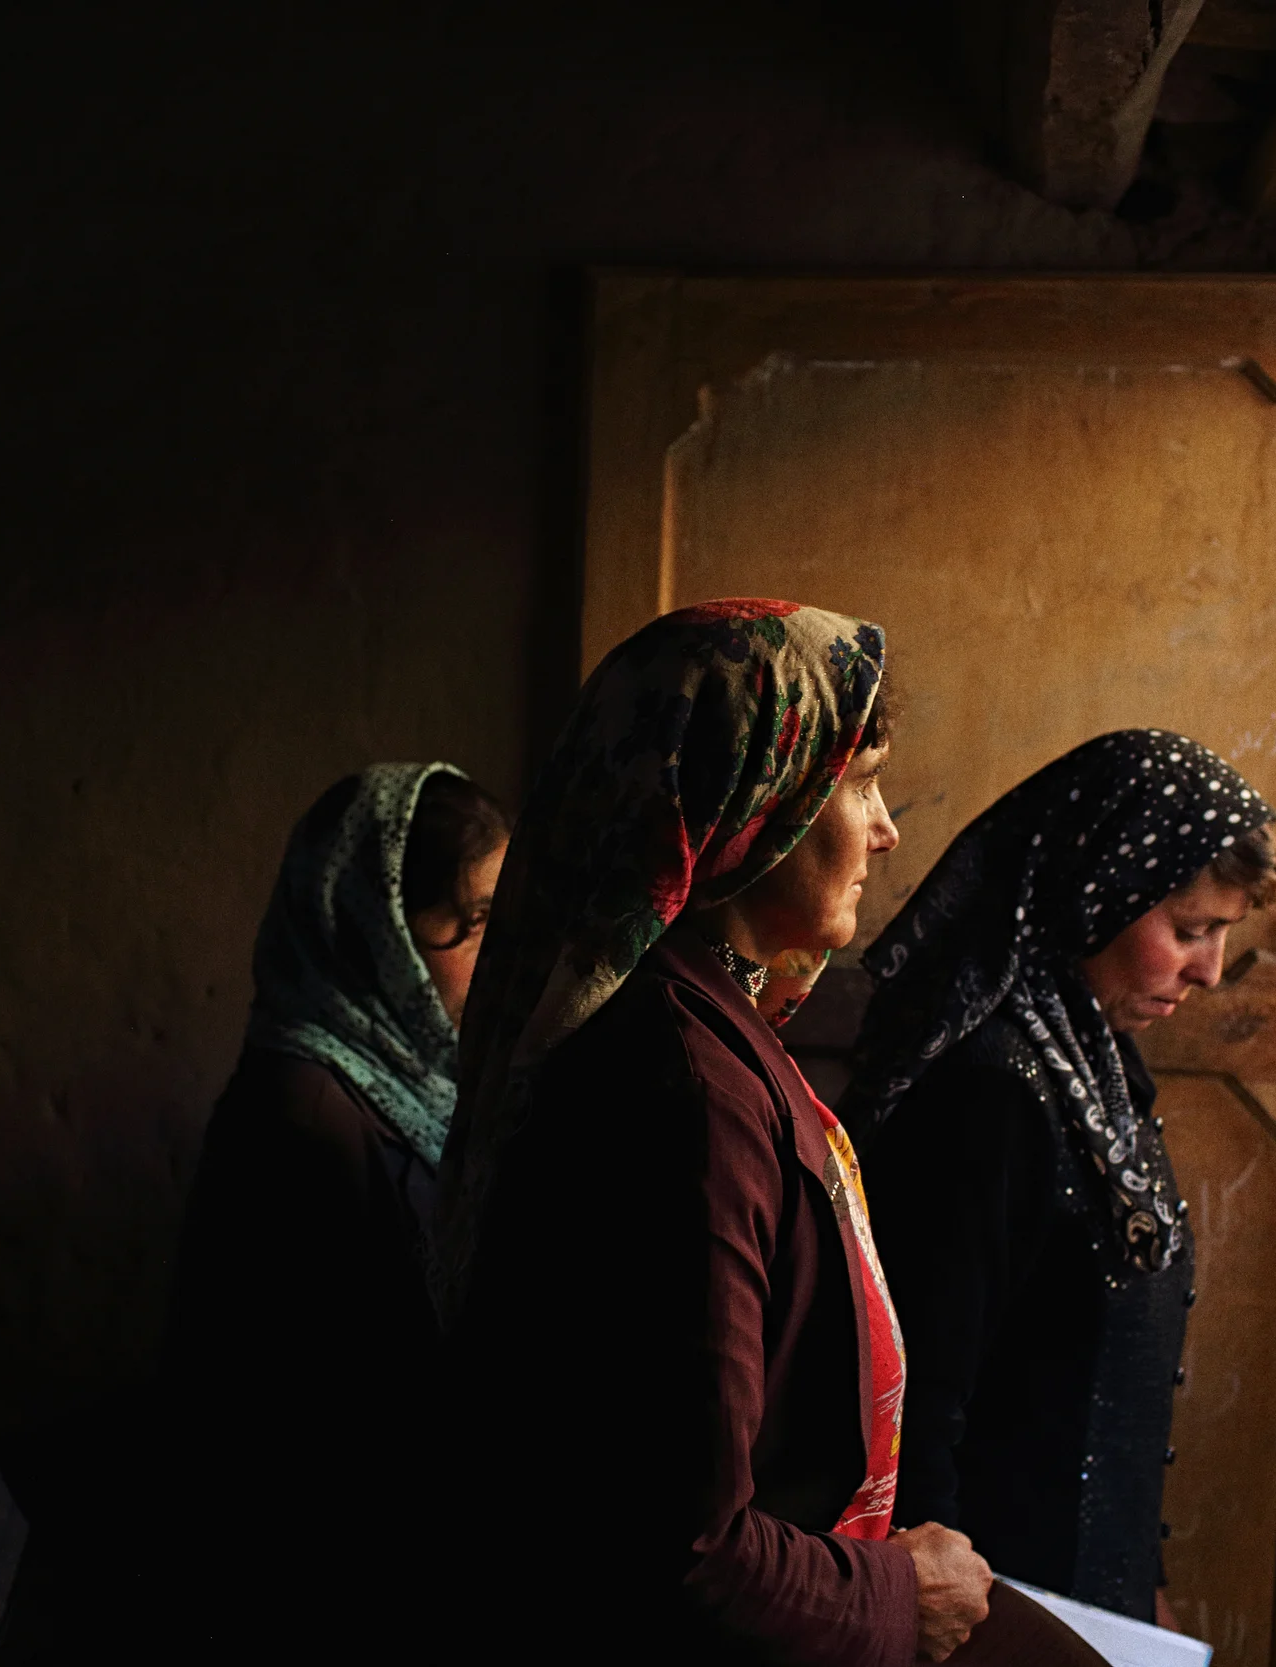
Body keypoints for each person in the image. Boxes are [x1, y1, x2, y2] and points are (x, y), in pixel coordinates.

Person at [437, 600, 1104, 1667]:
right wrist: (896, 1597)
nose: (887, 828)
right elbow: (679, 1544)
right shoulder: (680, 1088)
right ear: (751, 796)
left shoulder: (717, 1028)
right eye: (859, 781)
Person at [843, 730, 1276, 1628]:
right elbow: (917, 1408)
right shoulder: (990, 1092)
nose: (1210, 968)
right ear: (1098, 893)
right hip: (993, 1619)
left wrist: (1138, 1591)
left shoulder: (1102, 1067)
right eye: (1192, 929)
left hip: (1087, 1612)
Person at [156, 763, 509, 1657]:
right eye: (470, 927)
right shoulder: (302, 1118)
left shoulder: (412, 1081)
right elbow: (319, 1423)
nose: (500, 956)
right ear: (371, 935)